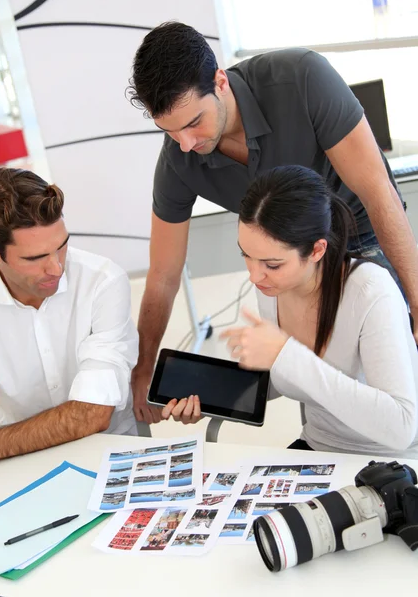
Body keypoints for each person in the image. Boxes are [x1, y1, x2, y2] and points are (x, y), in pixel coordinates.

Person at [127, 21, 418, 427]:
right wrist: (144, 367)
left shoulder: (301, 79)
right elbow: (162, 274)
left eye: (194, 123)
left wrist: (416, 297)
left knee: (397, 376)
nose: (186, 143)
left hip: (362, 231)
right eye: (170, 131)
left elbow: (378, 192)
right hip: (288, 259)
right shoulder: (178, 158)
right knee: (319, 391)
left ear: (220, 81)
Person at [162, 165, 418, 458]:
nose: (255, 277)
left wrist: (285, 353)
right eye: (246, 255)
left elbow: (401, 427)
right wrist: (208, 397)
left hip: (391, 462)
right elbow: (288, 378)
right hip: (320, 447)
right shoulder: (272, 290)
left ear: (317, 250)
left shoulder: (370, 290)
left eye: (272, 265)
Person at [0, 168, 138, 474]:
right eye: (34, 258)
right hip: (19, 466)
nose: (56, 268)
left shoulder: (103, 281)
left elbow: (92, 413)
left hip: (108, 452)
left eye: (61, 245)